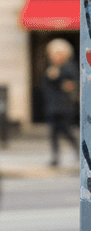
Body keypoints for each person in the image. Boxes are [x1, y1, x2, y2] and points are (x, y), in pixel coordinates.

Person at [41, 38, 79, 166]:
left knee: (66, 130)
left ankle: (78, 150)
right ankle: (55, 157)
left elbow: (73, 84)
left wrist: (65, 83)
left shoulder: (70, 67)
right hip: (52, 105)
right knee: (53, 133)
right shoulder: (50, 68)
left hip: (65, 106)